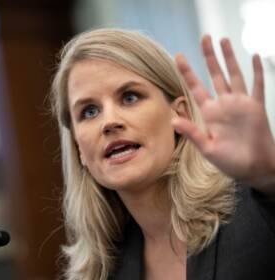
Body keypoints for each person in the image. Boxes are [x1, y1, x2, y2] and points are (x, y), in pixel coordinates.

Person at [50, 28, 275, 280]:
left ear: (180, 113)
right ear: (79, 148)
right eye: (89, 111)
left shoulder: (257, 209)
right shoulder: (101, 272)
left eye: (129, 97)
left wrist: (268, 176)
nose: (109, 122)